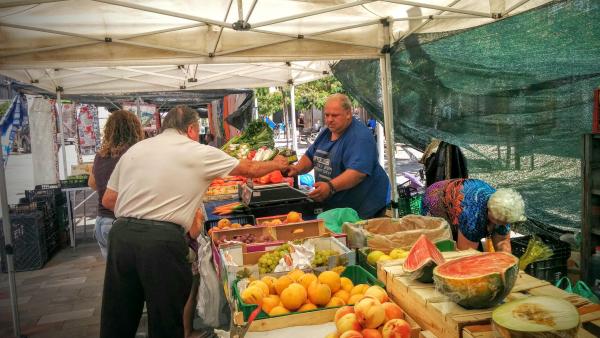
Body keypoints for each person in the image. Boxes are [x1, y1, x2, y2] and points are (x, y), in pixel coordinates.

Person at [100, 105, 289, 338]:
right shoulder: (196, 150)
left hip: (121, 237)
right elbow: (249, 168)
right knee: (166, 319)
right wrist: (278, 164)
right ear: (191, 129)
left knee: (118, 317)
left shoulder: (136, 150)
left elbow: (109, 199)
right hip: (160, 242)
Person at [285, 94, 390, 219]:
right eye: (327, 115)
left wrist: (330, 187)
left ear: (348, 114)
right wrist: (296, 169)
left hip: (364, 209)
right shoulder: (326, 132)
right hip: (338, 208)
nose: (329, 119)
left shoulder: (359, 136)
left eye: (334, 115)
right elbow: (310, 156)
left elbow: (357, 173)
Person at [88, 110, 143, 258]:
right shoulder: (132, 154)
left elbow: (92, 183)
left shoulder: (100, 155)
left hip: (101, 222)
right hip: (120, 223)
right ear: (135, 130)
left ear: (109, 131)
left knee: (115, 275)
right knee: (129, 275)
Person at [421, 178, 526, 253]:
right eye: (498, 221)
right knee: (443, 249)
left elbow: (503, 241)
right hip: (434, 200)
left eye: (506, 222)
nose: (502, 225)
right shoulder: (472, 213)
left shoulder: (503, 207)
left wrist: (506, 264)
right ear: (488, 211)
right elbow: (466, 253)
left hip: (462, 199)